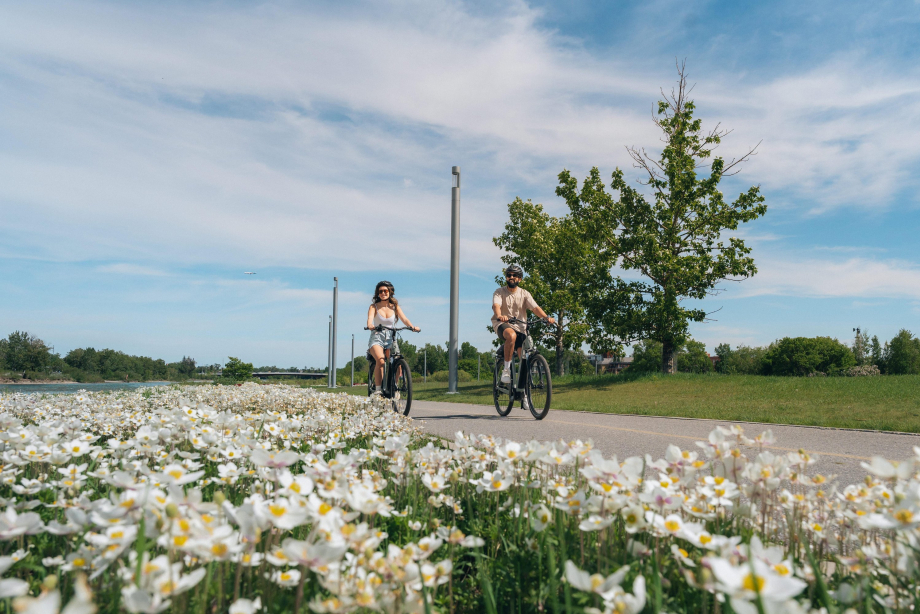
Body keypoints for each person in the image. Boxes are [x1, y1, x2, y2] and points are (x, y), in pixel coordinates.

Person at [491, 264, 555, 384]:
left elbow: (535, 308)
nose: (511, 277)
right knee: (511, 336)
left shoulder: (524, 293)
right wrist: (500, 316)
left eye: (514, 275)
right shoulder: (499, 292)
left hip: (520, 327)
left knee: (524, 360)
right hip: (503, 324)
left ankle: (524, 395)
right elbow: (496, 305)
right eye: (509, 275)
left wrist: (546, 317)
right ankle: (506, 370)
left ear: (519, 279)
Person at [367, 281, 420, 394]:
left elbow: (404, 319)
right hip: (377, 336)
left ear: (390, 292)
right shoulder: (374, 306)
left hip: (391, 336)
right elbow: (370, 318)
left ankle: (394, 389)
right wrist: (370, 325)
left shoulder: (395, 307)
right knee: (381, 361)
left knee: (398, 363)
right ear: (377, 293)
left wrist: (412, 327)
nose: (383, 293)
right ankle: (378, 390)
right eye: (380, 291)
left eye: (385, 291)